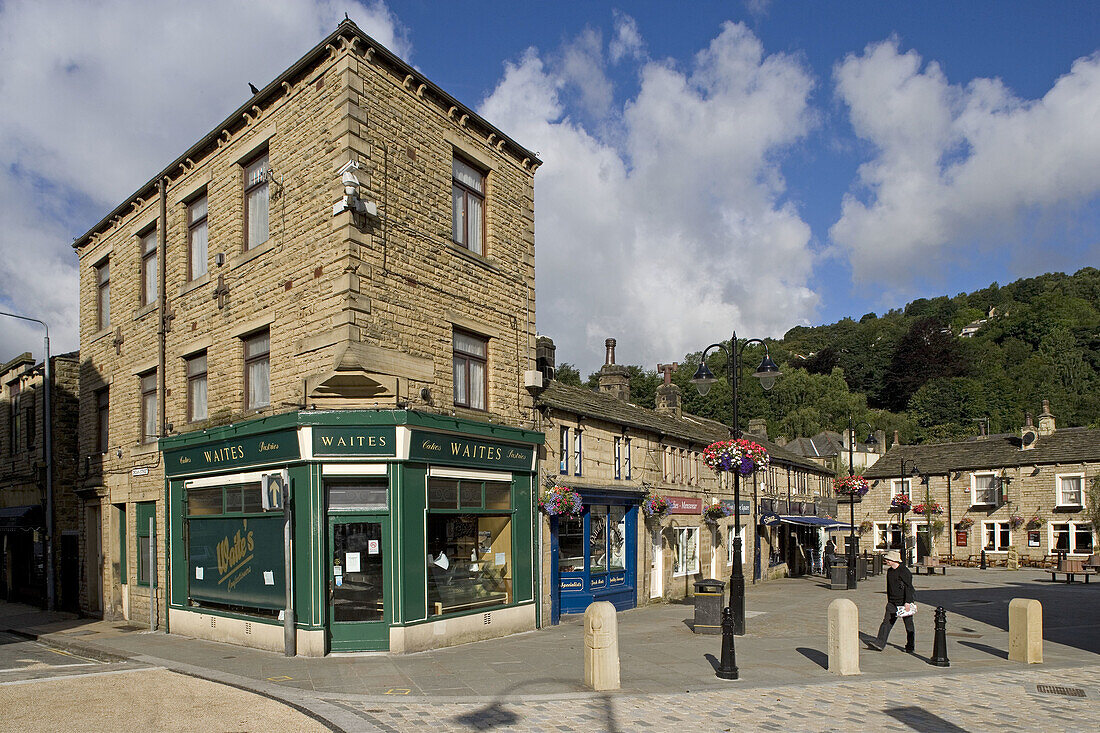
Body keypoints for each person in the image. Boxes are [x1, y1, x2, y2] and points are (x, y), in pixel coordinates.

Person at [869, 549, 916, 652]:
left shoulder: (904, 571)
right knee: (886, 623)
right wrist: (889, 601)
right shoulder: (890, 571)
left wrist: (908, 602)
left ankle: (910, 646)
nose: (886, 561)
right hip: (892, 603)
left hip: (904, 603)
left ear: (894, 560)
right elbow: (889, 587)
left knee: (909, 626)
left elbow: (909, 588)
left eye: (888, 559)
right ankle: (879, 643)